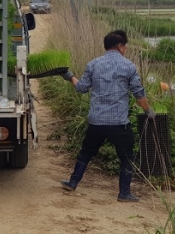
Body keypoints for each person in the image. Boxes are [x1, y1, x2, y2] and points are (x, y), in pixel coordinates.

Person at [60, 29, 155, 202]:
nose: (125, 50)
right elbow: (139, 95)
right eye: (125, 47)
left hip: (96, 122)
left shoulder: (93, 64)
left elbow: (81, 88)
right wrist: (149, 112)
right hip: (118, 123)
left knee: (86, 153)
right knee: (127, 157)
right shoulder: (129, 66)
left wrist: (70, 76)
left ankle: (72, 183)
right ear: (120, 46)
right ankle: (124, 193)